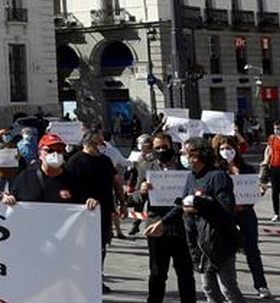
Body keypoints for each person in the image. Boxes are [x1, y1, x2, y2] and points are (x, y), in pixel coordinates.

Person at [178, 137, 245, 303]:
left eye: (185, 153)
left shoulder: (218, 176)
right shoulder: (191, 177)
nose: (183, 157)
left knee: (228, 288)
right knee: (209, 289)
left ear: (196, 155)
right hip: (199, 242)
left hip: (219, 240)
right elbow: (184, 202)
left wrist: (199, 205)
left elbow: (226, 207)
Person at [133, 134, 196, 303]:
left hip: (181, 227)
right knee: (157, 273)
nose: (161, 150)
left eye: (164, 147)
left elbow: (190, 197)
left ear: (172, 146)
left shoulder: (185, 170)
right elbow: (134, 199)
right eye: (158, 148)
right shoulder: (146, 167)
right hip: (156, 228)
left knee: (185, 273)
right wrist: (142, 192)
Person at [215, 135, 273, 299]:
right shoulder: (216, 170)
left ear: (236, 149)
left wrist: (258, 191)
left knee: (252, 250)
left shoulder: (247, 168)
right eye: (222, 149)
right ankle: (228, 288)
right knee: (225, 251)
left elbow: (253, 190)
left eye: (229, 148)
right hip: (225, 215)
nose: (226, 152)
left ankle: (261, 285)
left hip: (246, 213)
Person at [66, 129, 122, 287]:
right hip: (82, 213)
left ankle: (97, 277)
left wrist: (122, 203)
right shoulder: (74, 161)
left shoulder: (105, 161)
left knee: (101, 247)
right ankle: (80, 278)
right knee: (82, 247)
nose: (104, 146)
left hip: (103, 211)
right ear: (90, 144)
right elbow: (68, 188)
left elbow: (116, 181)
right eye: (100, 143)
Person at [4, 134, 95, 208]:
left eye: (59, 150)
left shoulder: (73, 180)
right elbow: (13, 197)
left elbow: (84, 201)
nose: (55, 154)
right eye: (49, 150)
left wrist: (91, 202)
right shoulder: (25, 178)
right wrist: (9, 199)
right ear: (40, 154)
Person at [262, 122, 280, 222]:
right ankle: (276, 213)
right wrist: (266, 161)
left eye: (278, 128)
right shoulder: (272, 138)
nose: (276, 131)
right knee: (275, 192)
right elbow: (269, 150)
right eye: (275, 129)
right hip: (274, 167)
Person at [0, 128, 21, 195]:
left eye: (8, 134)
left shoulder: (14, 146)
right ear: (0, 136)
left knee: (12, 189)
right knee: (0, 189)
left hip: (12, 171)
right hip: (1, 172)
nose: (7, 136)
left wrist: (17, 157)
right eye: (5, 135)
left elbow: (18, 156)